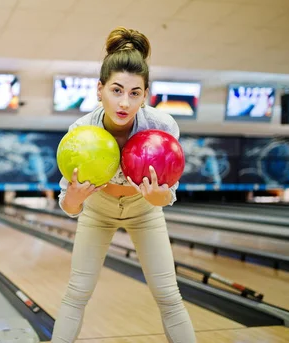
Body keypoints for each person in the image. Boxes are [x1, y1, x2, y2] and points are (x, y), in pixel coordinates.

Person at [52, 27, 196, 343]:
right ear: (99, 89)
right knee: (77, 293)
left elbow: (165, 196)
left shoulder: (162, 127)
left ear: (145, 95)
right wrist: (75, 198)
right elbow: (69, 207)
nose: (124, 102)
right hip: (98, 211)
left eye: (134, 93)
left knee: (169, 295)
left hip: (143, 212)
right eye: (116, 90)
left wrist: (160, 196)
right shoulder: (81, 130)